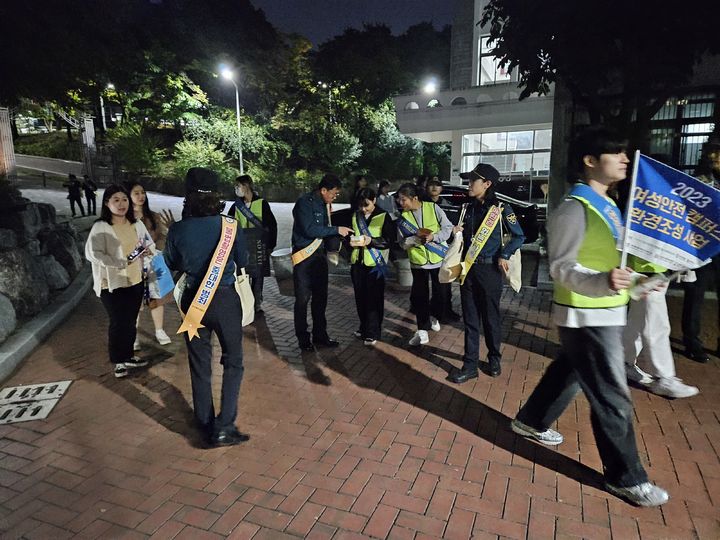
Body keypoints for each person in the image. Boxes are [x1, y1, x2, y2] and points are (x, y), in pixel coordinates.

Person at [510, 126, 669, 507]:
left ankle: (530, 421)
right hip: (586, 315)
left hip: (604, 312)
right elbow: (561, 268)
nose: (625, 159)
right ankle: (626, 477)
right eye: (616, 152)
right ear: (589, 160)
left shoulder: (609, 205)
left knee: (570, 372)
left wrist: (640, 283)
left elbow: (611, 264)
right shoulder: (574, 208)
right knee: (613, 396)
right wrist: (603, 282)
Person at [164, 167, 250, 447]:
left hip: (194, 302)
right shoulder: (229, 225)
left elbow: (172, 264)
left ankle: (204, 422)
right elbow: (244, 258)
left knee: (200, 363)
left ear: (188, 194)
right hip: (225, 300)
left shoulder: (178, 228)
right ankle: (225, 426)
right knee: (233, 361)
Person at [448, 163, 524, 381]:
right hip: (467, 269)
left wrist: (505, 254)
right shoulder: (467, 208)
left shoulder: (501, 209)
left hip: (490, 270)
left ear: (487, 184)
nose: (469, 184)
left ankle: (494, 358)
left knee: (491, 318)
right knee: (470, 319)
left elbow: (519, 236)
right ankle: (469, 365)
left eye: (473, 180)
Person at [85, 185, 152, 378]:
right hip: (111, 283)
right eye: (116, 200)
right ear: (107, 203)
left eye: (124, 199)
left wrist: (147, 250)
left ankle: (129, 355)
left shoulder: (136, 223)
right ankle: (118, 361)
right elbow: (93, 253)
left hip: (135, 280)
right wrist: (118, 262)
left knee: (130, 321)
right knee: (118, 322)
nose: (121, 204)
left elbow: (148, 243)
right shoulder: (101, 226)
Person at [292, 174, 353, 351]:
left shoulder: (325, 204)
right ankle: (303, 340)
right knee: (302, 300)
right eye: (334, 193)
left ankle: (320, 335)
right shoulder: (305, 203)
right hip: (304, 257)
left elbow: (325, 232)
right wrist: (336, 229)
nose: (335, 197)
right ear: (323, 190)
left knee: (321, 298)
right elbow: (310, 229)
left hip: (318, 257)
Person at [623, 257, 699, 398]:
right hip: (645, 265)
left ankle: (623, 362)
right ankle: (663, 377)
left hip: (657, 265)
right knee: (655, 322)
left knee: (639, 317)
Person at [396, 183, 453, 346]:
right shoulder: (403, 218)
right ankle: (422, 329)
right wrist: (414, 240)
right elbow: (401, 243)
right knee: (420, 296)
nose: (401, 203)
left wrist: (434, 237)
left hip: (437, 259)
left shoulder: (433, 208)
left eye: (403, 199)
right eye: (399, 200)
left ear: (415, 198)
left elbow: (448, 228)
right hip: (418, 263)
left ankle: (434, 316)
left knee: (441, 295)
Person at [681, 140, 720, 363]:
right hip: (702, 248)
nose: (714, 157)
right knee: (695, 295)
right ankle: (692, 342)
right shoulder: (700, 182)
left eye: (718, 152)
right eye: (712, 152)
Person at [127, 182, 173, 348]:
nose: (141, 196)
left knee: (156, 298)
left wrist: (156, 250)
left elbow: (162, 238)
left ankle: (159, 330)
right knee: (134, 302)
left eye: (142, 192)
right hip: (133, 264)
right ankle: (134, 336)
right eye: (136, 193)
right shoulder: (125, 219)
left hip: (154, 262)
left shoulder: (153, 216)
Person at [348, 188, 395, 346]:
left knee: (374, 299)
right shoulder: (356, 215)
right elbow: (351, 234)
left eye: (366, 205)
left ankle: (373, 331)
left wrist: (371, 241)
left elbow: (388, 240)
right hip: (358, 263)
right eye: (361, 205)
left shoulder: (383, 216)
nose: (363, 208)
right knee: (360, 297)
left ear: (374, 200)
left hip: (376, 265)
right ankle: (363, 327)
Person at [228, 175, 278, 313]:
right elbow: (228, 223)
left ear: (247, 185)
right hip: (241, 246)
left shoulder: (262, 203)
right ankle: (245, 303)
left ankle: (256, 303)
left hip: (258, 245)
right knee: (242, 275)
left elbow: (272, 225)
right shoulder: (236, 206)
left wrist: (270, 245)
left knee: (258, 276)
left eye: (238, 186)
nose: (236, 189)